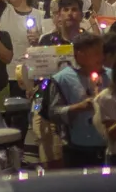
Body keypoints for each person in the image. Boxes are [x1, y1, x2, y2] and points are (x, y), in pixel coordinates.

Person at [46, 32, 108, 168]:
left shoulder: (111, 75)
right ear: (80, 55)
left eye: (101, 52)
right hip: (77, 150)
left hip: (107, 148)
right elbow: (54, 113)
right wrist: (79, 107)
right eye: (96, 53)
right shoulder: (62, 79)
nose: (101, 57)